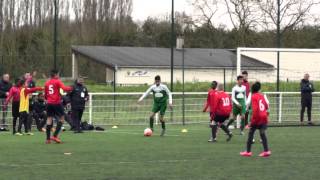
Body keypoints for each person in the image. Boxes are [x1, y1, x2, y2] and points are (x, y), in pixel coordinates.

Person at [240, 82, 271, 157]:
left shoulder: (253, 96)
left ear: (252, 89)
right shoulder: (262, 95)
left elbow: (256, 110)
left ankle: (248, 152)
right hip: (264, 117)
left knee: (251, 133)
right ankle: (266, 151)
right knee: (262, 133)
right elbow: (266, 106)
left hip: (258, 117)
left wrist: (251, 122)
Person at [44, 70, 72, 144]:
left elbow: (46, 94)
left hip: (49, 103)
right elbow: (64, 89)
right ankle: (55, 136)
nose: (59, 76)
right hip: (56, 103)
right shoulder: (57, 81)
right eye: (58, 74)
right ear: (55, 75)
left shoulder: (47, 83)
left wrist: (48, 99)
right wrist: (71, 88)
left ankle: (47, 139)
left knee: (49, 119)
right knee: (62, 118)